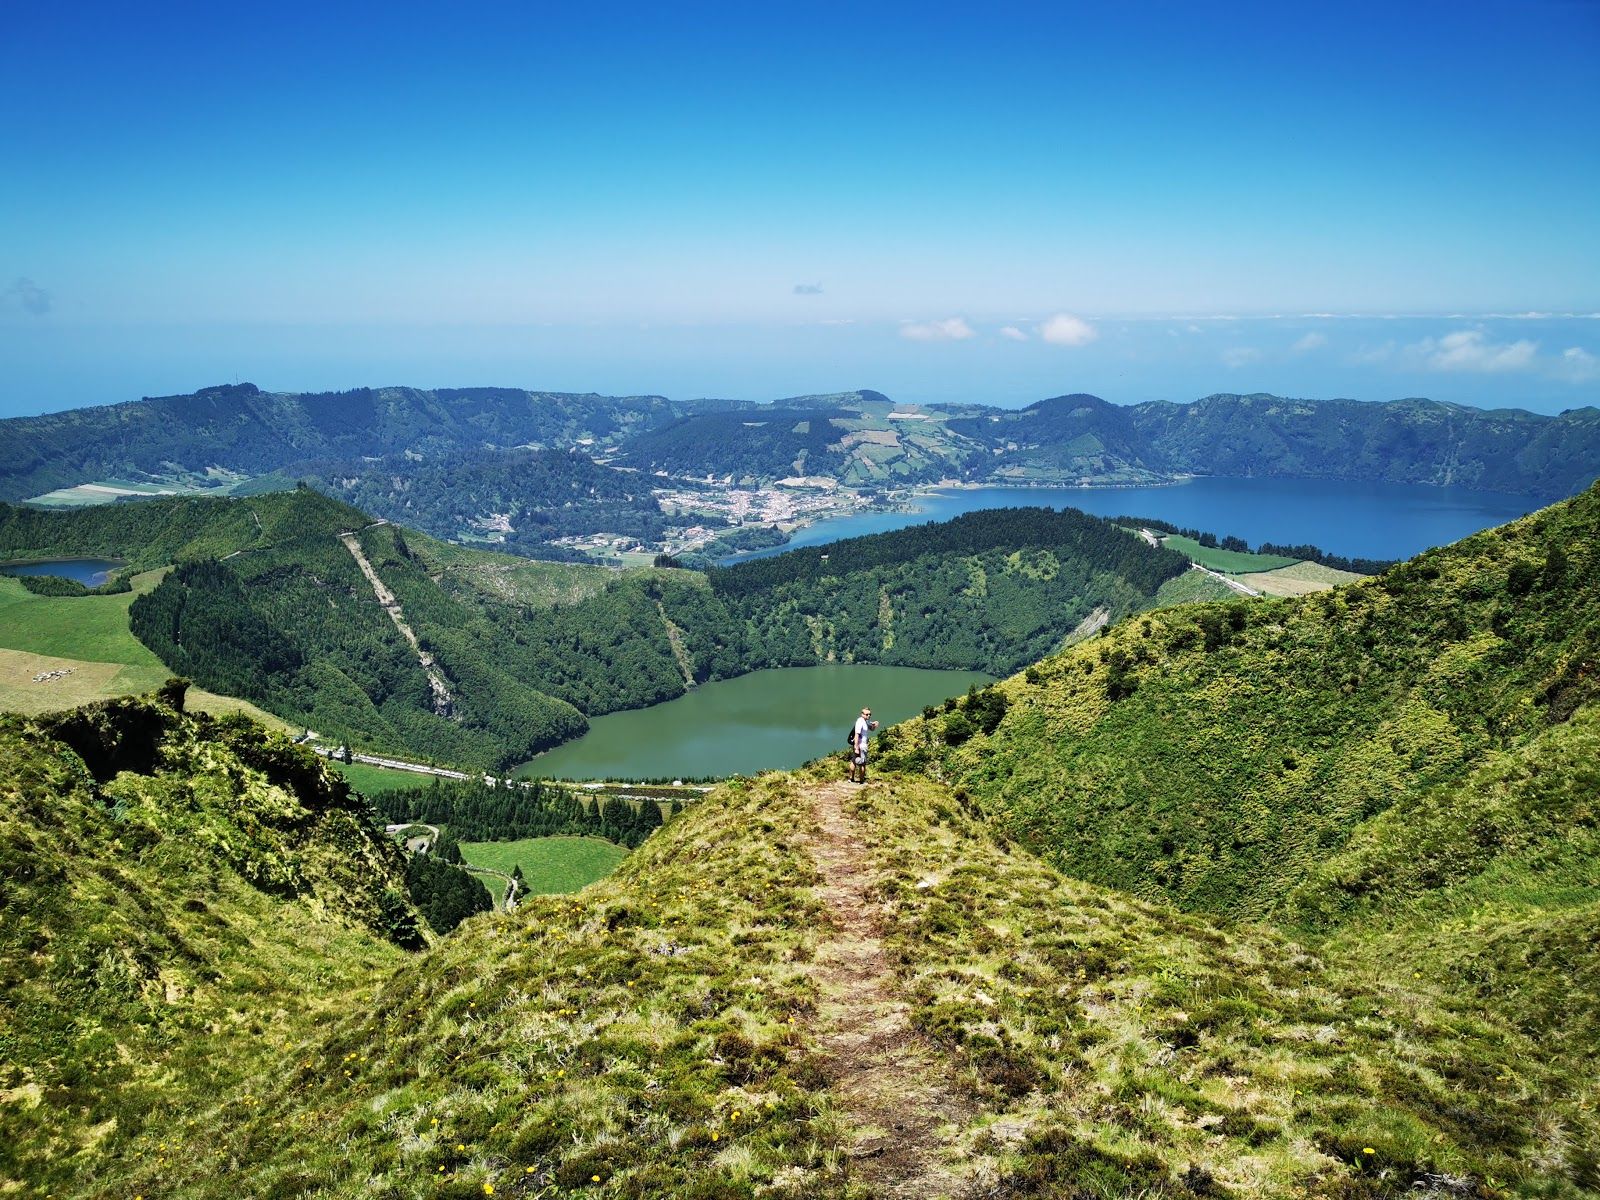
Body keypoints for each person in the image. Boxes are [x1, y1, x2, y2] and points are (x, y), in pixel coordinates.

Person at [849, 706, 878, 784]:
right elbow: (857, 734)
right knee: (862, 764)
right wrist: (856, 747)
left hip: (860, 745)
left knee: (854, 761)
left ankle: (851, 779)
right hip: (861, 745)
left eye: (869, 714)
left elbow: (871, 729)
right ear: (862, 714)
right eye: (866, 714)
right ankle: (861, 781)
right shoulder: (860, 721)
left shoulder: (865, 721)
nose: (868, 716)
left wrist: (875, 725)